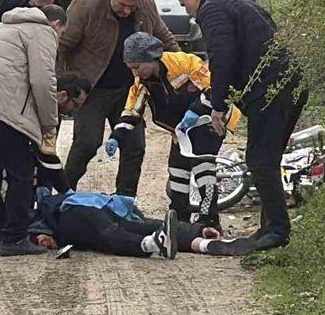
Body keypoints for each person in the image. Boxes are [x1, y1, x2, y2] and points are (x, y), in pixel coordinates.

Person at [174, 0, 309, 255]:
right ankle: (269, 227)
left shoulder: (212, 8)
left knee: (260, 161)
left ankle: (277, 231)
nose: (188, 13)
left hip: (271, 91)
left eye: (185, 6)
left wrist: (218, 105)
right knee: (267, 160)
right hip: (288, 85)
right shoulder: (234, 2)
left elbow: (223, 57)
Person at [0, 4, 89, 256]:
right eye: (62, 33)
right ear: (56, 25)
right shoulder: (43, 32)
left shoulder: (3, 26)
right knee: (21, 171)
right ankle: (14, 238)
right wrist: (49, 124)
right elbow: (42, 80)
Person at [104, 33, 242, 228]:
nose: (135, 73)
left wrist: (196, 110)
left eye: (136, 67)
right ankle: (179, 217)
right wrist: (116, 137)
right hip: (181, 129)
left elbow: (216, 88)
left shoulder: (185, 62)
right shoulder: (142, 83)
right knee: (177, 170)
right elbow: (132, 112)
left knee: (203, 167)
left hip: (210, 119)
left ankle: (209, 219)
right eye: (131, 69)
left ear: (151, 58)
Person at [59, 0, 179, 197]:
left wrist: (183, 65)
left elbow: (163, 36)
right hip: (92, 89)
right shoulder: (85, 6)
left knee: (134, 146)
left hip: (130, 90)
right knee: (86, 143)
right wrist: (61, 83)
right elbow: (62, 46)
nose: (126, 11)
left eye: (131, 7)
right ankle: (63, 191)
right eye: (122, 5)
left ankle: (125, 199)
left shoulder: (146, 5)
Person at [28, 188, 251, 258]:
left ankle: (198, 241)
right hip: (92, 213)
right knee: (124, 230)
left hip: (75, 213)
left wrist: (198, 228)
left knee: (112, 234)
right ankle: (201, 243)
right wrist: (39, 235)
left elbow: (35, 216)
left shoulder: (47, 199)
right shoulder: (38, 199)